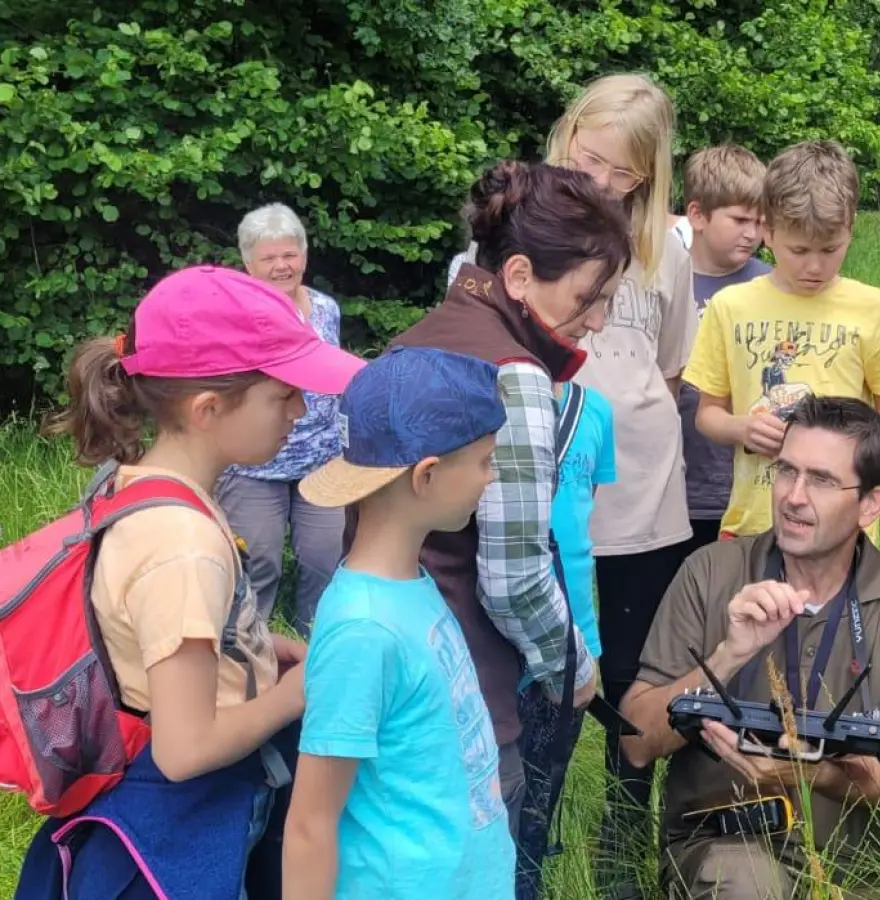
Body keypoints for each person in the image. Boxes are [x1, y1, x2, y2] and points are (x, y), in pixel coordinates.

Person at [18, 266, 363, 898]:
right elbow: (185, 749)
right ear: (208, 410)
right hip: (172, 831)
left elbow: (150, 630)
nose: (303, 409)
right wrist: (295, 695)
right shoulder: (184, 545)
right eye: (283, 393)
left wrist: (253, 646)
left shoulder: (144, 485)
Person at [375, 161, 632, 891]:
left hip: (403, 654)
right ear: (518, 275)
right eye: (588, 296)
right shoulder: (516, 375)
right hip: (474, 687)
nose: (597, 320)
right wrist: (574, 670)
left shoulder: (412, 339)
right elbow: (513, 572)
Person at [617, 396, 880, 900]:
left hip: (852, 856)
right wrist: (730, 653)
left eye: (821, 480)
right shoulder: (711, 571)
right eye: (786, 472)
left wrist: (804, 770)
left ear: (872, 504)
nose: (793, 496)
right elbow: (636, 743)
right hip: (723, 841)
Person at [544, 75, 702, 894]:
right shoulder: (515, 233)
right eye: (589, 158)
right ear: (567, 136)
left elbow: (672, 364)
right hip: (549, 492)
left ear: (647, 179)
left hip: (644, 494)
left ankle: (619, 838)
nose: (599, 183)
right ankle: (532, 823)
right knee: (546, 663)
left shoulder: (664, 248)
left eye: (622, 174)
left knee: (638, 666)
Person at [283, 348, 513, 899]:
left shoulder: (409, 584)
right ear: (426, 476)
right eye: (484, 461)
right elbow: (310, 826)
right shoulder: (365, 630)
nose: (491, 476)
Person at [685, 139, 880, 543]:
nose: (814, 266)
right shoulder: (730, 305)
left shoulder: (872, 308)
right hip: (754, 522)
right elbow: (708, 414)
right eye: (799, 249)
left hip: (842, 527)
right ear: (767, 231)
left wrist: (844, 434)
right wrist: (742, 429)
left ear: (850, 229)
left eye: (830, 249)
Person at [215, 202, 346, 633]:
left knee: (325, 558)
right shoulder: (234, 316)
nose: (281, 266)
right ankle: (251, 645)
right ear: (248, 263)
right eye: (269, 258)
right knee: (259, 560)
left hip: (323, 460)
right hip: (256, 461)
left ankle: (316, 641)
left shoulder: (326, 308)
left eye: (289, 254)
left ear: (304, 256)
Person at [679, 144, 773, 548]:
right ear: (697, 215)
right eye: (739, 220)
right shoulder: (666, 282)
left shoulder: (771, 286)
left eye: (760, 221)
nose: (752, 233)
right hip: (676, 486)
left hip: (747, 489)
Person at [551, 380, 616, 660]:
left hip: (576, 603)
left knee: (571, 698)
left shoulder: (596, 408)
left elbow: (586, 497)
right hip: (509, 606)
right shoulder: (494, 400)